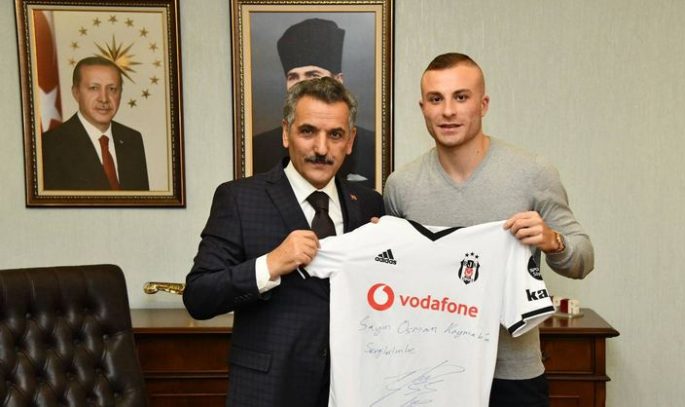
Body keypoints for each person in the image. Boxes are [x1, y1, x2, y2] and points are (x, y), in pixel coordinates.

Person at [383, 52, 595, 407]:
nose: (448, 111)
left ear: (483, 104)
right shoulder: (400, 186)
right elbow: (394, 277)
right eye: (436, 99)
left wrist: (553, 240)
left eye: (461, 97)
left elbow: (584, 259)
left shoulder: (533, 172)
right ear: (423, 108)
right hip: (431, 370)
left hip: (513, 374)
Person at [183, 77, 385, 407]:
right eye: (308, 132)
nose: (321, 149)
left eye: (335, 135)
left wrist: (387, 259)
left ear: (350, 141)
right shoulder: (239, 199)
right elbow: (199, 296)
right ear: (285, 133)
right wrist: (270, 265)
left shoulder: (369, 204)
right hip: (269, 390)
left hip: (351, 389)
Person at [252, 18, 376, 188]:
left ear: (338, 80)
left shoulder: (371, 145)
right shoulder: (260, 146)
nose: (302, 84)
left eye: (313, 75)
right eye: (293, 77)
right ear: (286, 133)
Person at [41, 56, 149, 190]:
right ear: (76, 93)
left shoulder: (132, 139)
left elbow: (141, 201)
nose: (104, 99)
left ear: (120, 93)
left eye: (112, 89)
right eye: (94, 88)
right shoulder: (50, 145)